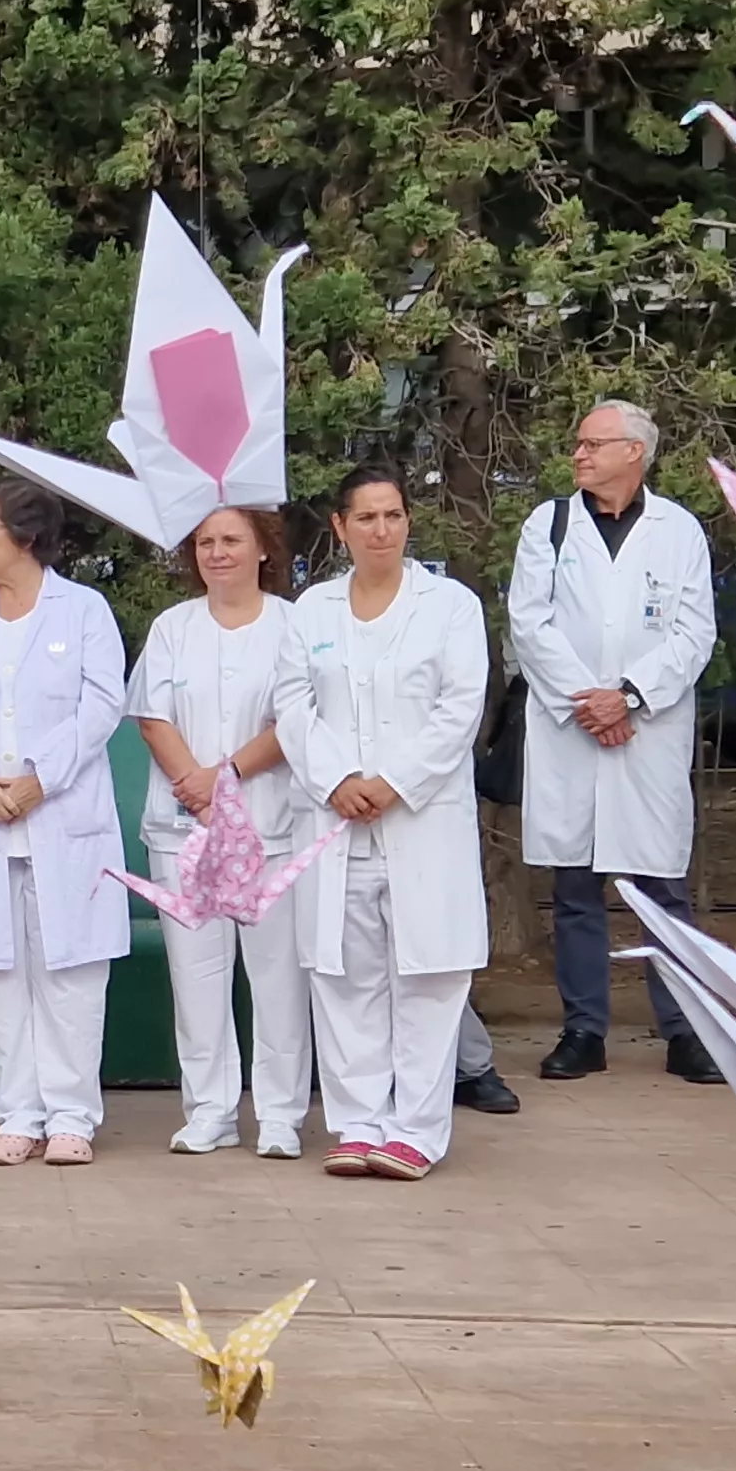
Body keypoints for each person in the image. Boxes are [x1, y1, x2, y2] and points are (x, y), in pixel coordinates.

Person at [276, 466, 493, 1180]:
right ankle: (357, 1122)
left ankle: (416, 1131)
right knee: (346, 974)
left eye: (393, 515)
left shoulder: (450, 607)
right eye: (365, 518)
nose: (381, 530)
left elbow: (459, 708)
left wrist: (392, 783)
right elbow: (293, 704)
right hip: (339, 820)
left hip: (420, 817)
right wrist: (339, 779)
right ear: (339, 527)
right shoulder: (312, 611)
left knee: (427, 977)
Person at [508, 398, 722, 1085]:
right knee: (575, 885)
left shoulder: (678, 529)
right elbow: (529, 622)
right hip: (574, 726)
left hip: (646, 729)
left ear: (635, 451)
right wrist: (590, 702)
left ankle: (684, 1029)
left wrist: (627, 694)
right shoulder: (550, 523)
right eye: (578, 443)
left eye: (593, 443)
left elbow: (695, 632)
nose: (579, 454)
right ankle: (583, 1029)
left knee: (661, 886)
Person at [0, 478, 128, 1165]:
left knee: (70, 966)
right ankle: (17, 1113)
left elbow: (101, 707)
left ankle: (72, 1116)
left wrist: (41, 779)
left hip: (61, 816)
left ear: (26, 538)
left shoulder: (84, 612)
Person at [130, 501, 315, 1158]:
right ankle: (210, 1109)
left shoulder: (295, 627)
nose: (218, 553)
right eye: (206, 542)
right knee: (198, 977)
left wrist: (226, 778)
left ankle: (282, 1115)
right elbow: (153, 716)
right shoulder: (173, 628)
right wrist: (200, 792)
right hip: (187, 832)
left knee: (278, 981)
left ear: (263, 548)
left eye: (231, 539)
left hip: (274, 830)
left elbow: (295, 723)